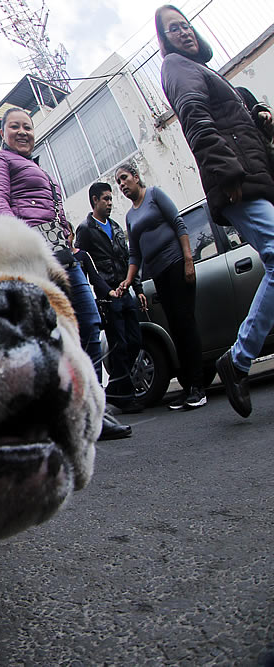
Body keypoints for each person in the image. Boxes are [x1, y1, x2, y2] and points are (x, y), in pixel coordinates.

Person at [0, 107, 131, 441]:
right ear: (2, 133)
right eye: (14, 126)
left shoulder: (38, 168)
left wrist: (69, 241)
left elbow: (55, 212)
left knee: (88, 326)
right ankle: (50, 416)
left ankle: (91, 410)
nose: (22, 132)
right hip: (32, 256)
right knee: (44, 335)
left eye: (27, 127)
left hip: (63, 254)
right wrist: (21, 246)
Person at [156, 4, 274, 417]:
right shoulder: (176, 66)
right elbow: (194, 117)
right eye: (174, 29)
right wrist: (227, 172)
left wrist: (258, 119)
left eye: (186, 25)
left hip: (255, 177)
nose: (184, 32)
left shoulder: (203, 70)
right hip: (238, 183)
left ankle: (238, 360)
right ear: (164, 40)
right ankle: (238, 360)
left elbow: (231, 124)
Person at [115, 161, 206, 410]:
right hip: (159, 275)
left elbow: (179, 224)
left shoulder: (154, 194)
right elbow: (135, 254)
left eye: (124, 178)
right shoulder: (130, 216)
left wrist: (189, 260)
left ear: (135, 176)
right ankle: (188, 388)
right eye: (118, 182)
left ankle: (198, 388)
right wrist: (127, 279)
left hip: (176, 264)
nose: (122, 185)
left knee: (186, 324)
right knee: (175, 329)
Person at [75, 183, 147, 413]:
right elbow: (82, 263)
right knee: (119, 345)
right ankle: (124, 395)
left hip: (126, 292)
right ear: (94, 200)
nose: (110, 203)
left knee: (135, 340)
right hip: (108, 296)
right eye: (105, 199)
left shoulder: (115, 226)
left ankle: (115, 389)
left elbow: (128, 258)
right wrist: (93, 294)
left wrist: (138, 287)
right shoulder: (85, 229)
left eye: (110, 199)